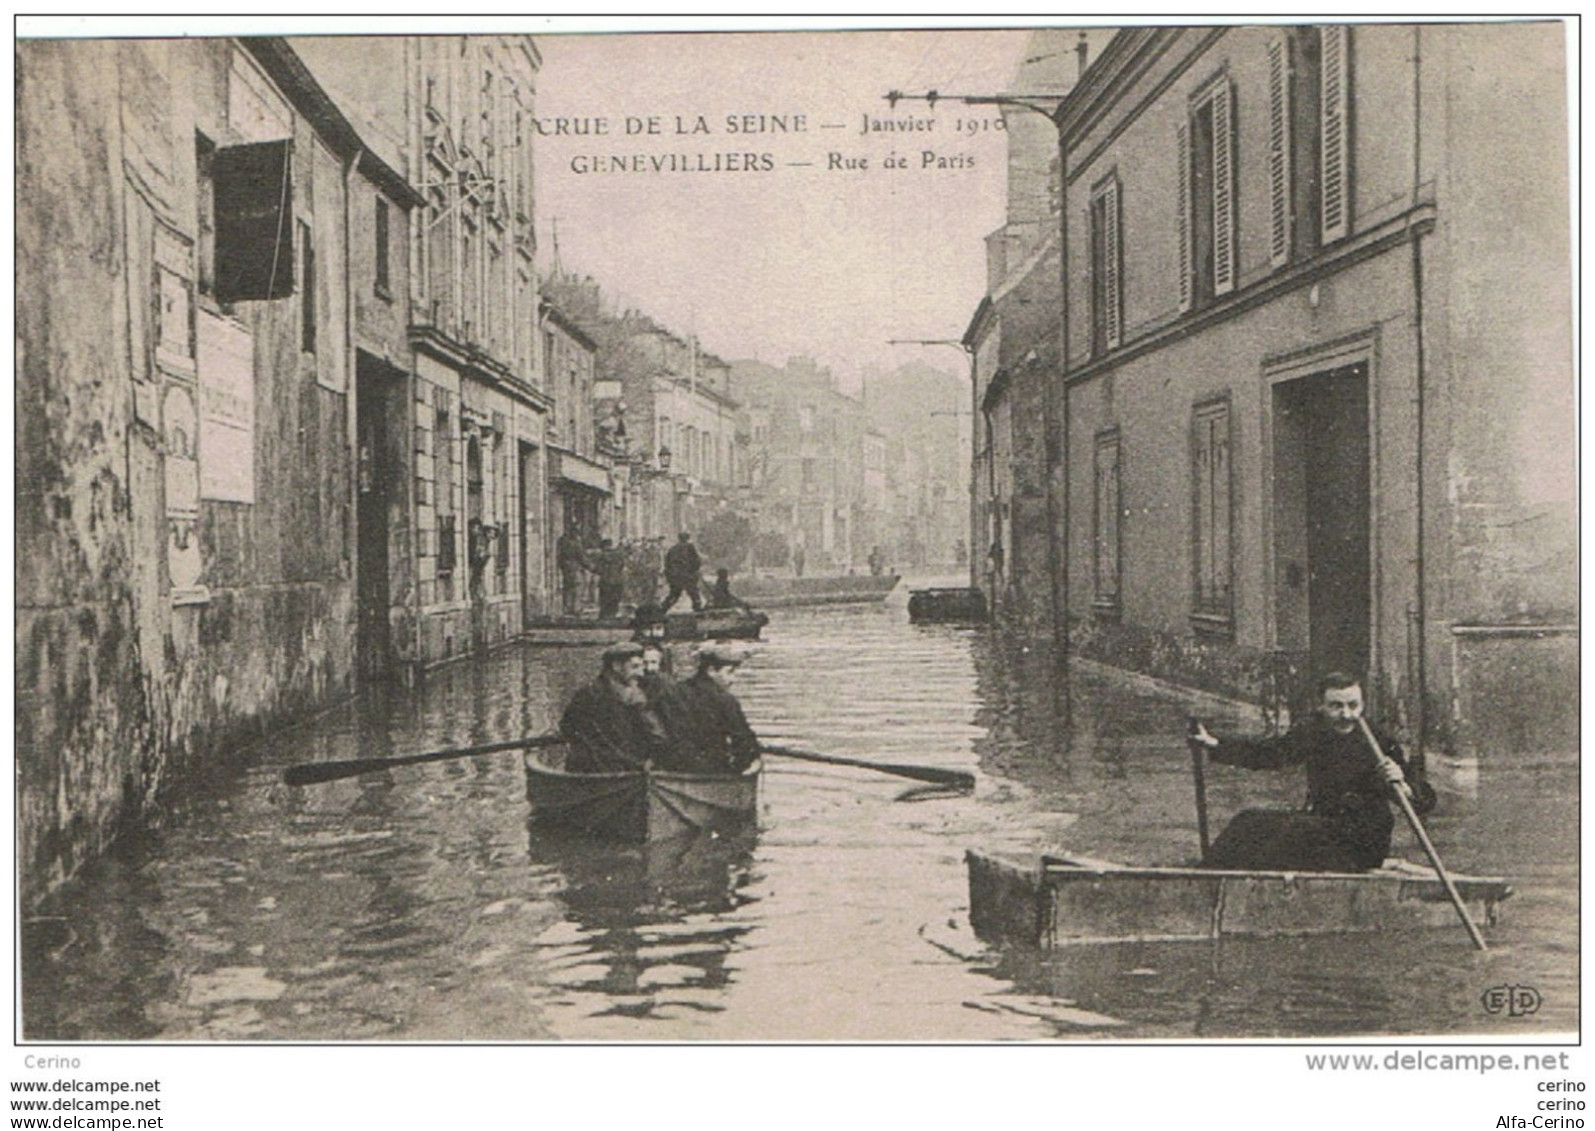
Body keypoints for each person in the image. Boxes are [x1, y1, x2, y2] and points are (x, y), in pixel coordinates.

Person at [1189, 672, 1436, 872]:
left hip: (1363, 840)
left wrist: (1401, 784)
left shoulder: (1378, 740)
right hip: (1322, 826)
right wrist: (1214, 744)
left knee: (1294, 833)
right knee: (1249, 821)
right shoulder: (1313, 732)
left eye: (1353, 705)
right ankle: (1204, 880)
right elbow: (1270, 754)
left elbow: (1424, 800)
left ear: (1362, 704)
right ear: (1321, 706)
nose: (1347, 715)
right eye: (1336, 706)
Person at [651, 646, 760, 775]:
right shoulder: (725, 700)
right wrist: (738, 768)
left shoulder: (674, 691)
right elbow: (744, 741)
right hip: (712, 769)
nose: (733, 679)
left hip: (674, 767)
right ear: (711, 671)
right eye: (730, 672)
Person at [558, 642, 651, 773]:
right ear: (616, 666)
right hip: (596, 771)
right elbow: (572, 731)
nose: (641, 673)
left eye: (642, 667)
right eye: (635, 667)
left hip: (632, 768)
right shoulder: (590, 695)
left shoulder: (637, 693)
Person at [661, 531, 703, 612]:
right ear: (687, 538)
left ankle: (662, 609)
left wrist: (670, 575)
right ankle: (698, 612)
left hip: (675, 576)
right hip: (688, 576)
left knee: (674, 594)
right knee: (694, 594)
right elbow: (697, 561)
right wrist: (694, 571)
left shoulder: (672, 549)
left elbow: (667, 564)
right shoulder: (690, 547)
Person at [556, 528, 589, 617]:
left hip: (566, 569)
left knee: (568, 588)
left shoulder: (563, 543)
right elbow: (582, 558)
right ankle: (576, 609)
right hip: (575, 568)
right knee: (578, 588)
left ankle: (567, 608)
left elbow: (559, 557)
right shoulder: (576, 544)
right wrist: (590, 566)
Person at [593, 538, 627, 620]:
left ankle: (604, 616)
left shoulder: (601, 555)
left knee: (605, 599)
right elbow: (622, 566)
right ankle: (613, 614)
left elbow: (598, 569)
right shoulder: (619, 554)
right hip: (618, 580)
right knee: (615, 599)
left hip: (606, 580)